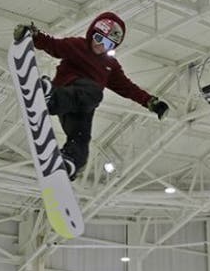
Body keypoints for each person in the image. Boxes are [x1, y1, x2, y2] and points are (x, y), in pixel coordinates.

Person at [14, 12, 169, 181]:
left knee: (81, 137)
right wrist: (34, 35)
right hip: (67, 91)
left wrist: (150, 102)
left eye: (108, 44)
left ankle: (70, 162)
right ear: (90, 34)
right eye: (98, 38)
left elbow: (128, 88)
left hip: (81, 109)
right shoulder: (77, 45)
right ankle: (50, 96)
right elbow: (53, 45)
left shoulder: (111, 66)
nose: (101, 45)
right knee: (94, 92)